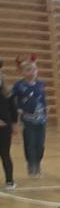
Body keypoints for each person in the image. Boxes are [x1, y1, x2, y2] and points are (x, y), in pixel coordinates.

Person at [12, 55, 46, 177]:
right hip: (27, 120)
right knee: (30, 143)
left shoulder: (40, 84)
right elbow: (13, 100)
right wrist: (17, 110)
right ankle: (31, 165)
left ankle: (38, 162)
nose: (32, 72)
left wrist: (46, 110)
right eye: (28, 70)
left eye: (34, 69)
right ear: (23, 72)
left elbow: (43, 99)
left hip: (41, 120)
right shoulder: (19, 85)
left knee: (40, 144)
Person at [0, 60, 16, 189]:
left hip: (5, 128)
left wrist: (14, 124)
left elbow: (13, 109)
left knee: (5, 153)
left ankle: (10, 180)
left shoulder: (7, 92)